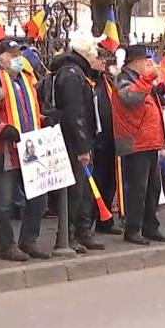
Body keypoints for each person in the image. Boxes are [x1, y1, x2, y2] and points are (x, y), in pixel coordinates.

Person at [0, 41, 54, 261]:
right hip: (5, 152)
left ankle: (28, 241)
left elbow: (30, 113)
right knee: (3, 202)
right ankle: (6, 246)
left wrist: (44, 120)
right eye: (12, 54)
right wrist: (2, 130)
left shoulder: (26, 80)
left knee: (39, 199)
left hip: (30, 149)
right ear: (0, 57)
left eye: (19, 53)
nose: (17, 58)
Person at [112, 44, 165, 246]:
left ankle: (150, 226)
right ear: (134, 62)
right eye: (144, 61)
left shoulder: (139, 79)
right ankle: (133, 228)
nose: (147, 64)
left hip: (149, 140)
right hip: (135, 140)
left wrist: (157, 88)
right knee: (138, 188)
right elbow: (130, 98)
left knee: (152, 188)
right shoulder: (123, 79)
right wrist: (148, 79)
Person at [48, 35, 104, 252]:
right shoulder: (71, 75)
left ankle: (82, 231)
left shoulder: (80, 73)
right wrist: (82, 146)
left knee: (84, 190)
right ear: (85, 53)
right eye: (94, 53)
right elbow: (75, 113)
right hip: (72, 140)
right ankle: (67, 235)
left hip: (81, 138)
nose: (97, 57)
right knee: (74, 190)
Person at [90, 46, 123, 236]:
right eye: (100, 58)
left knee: (109, 181)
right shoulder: (90, 79)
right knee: (96, 181)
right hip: (96, 139)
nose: (104, 62)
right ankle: (91, 221)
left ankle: (106, 219)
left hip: (111, 137)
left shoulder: (107, 80)